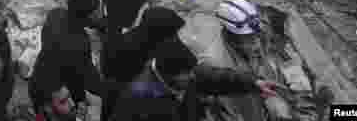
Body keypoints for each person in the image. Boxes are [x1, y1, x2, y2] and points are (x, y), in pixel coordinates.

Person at [112, 37, 279, 121]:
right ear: (169, 75)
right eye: (187, 73)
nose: (193, 76)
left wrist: (254, 83)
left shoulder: (183, 73)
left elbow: (216, 77)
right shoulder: (137, 99)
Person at [29, 0, 110, 121]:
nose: (100, 15)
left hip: (38, 79)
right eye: (97, 12)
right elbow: (88, 78)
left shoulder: (56, 14)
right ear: (87, 16)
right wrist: (108, 91)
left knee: (40, 113)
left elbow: (91, 22)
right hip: (56, 95)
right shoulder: (78, 43)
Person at [101, 7, 186, 121]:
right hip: (124, 103)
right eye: (172, 34)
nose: (174, 38)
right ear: (161, 34)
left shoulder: (133, 37)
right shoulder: (141, 53)